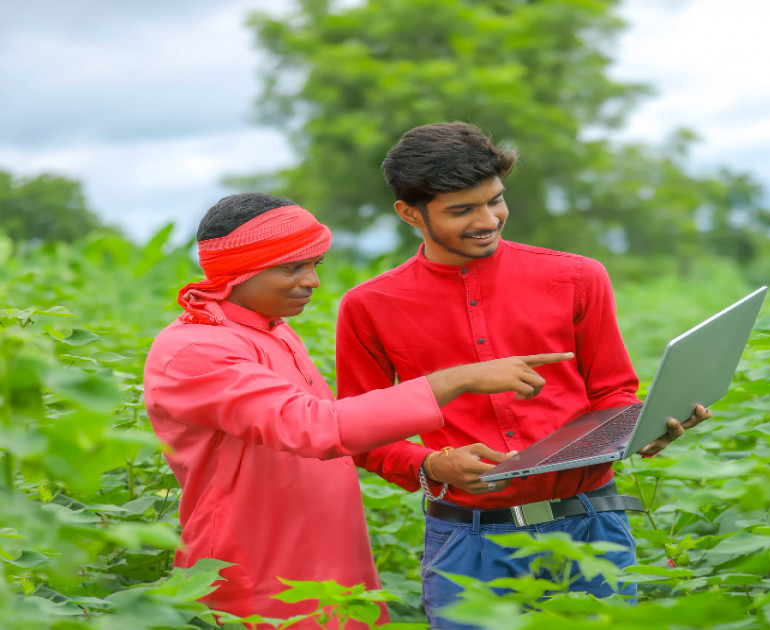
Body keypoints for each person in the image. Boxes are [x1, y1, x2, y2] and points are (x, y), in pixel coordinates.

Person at [335, 122, 711, 629]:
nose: (487, 219)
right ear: (409, 213)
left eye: (495, 200)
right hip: (469, 543)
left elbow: (614, 391)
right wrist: (432, 465)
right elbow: (360, 432)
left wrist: (640, 427)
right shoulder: (369, 307)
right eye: (462, 210)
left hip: (591, 525)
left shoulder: (577, 277)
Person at [143, 193, 573, 629]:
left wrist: (432, 463)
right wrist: (457, 379)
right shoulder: (197, 348)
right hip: (257, 570)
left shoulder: (270, 331)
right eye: (292, 267)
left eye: (315, 264)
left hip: (330, 558)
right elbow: (313, 426)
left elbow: (341, 427)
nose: (312, 281)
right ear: (238, 272)